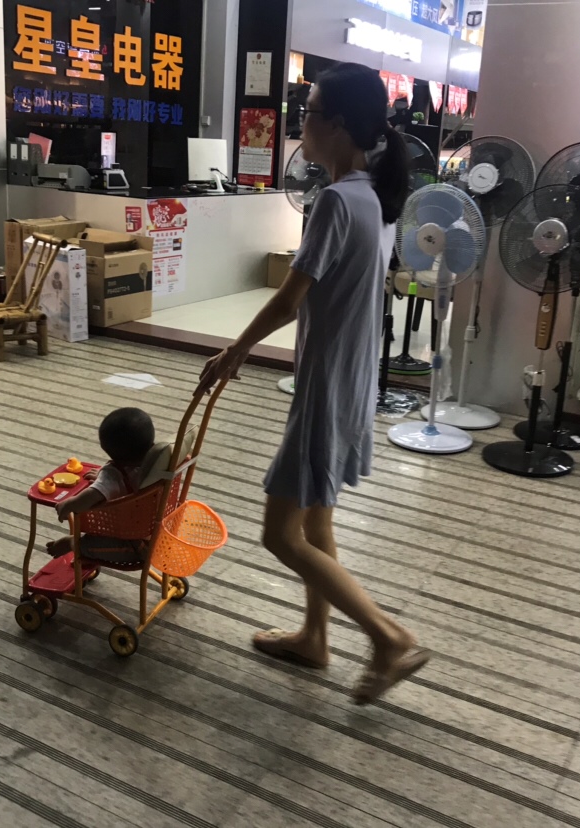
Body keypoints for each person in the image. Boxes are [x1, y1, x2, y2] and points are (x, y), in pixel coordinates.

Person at [197, 63, 430, 705]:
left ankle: (388, 638)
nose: (302, 121)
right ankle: (314, 637)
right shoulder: (376, 198)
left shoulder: (335, 201)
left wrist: (235, 351)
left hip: (326, 386)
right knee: (317, 522)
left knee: (279, 533)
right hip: (353, 381)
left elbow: (290, 299)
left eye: (311, 111)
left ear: (339, 126)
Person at [46, 408, 155, 564]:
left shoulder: (113, 476)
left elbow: (90, 497)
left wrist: (68, 505)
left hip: (135, 546)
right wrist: (105, 479)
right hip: (163, 529)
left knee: (87, 544)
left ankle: (70, 543)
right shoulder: (160, 461)